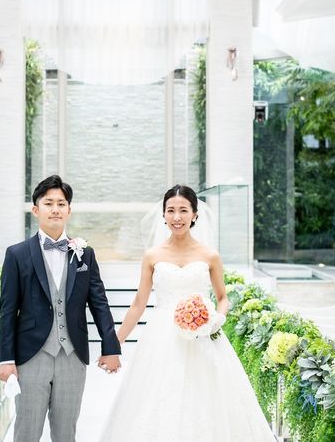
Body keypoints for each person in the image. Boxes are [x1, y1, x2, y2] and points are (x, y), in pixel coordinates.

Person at [99, 184, 276, 442]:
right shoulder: (152, 255)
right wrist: (114, 345)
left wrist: (216, 319)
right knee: (158, 399)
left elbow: (222, 298)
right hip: (161, 338)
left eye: (183, 210)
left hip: (202, 336)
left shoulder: (210, 255)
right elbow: (138, 304)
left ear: (195, 214)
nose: (177, 217)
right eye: (171, 210)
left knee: (206, 399)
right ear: (163, 215)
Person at [0, 175, 121, 442]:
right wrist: (6, 359)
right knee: (27, 432)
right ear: (36, 210)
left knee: (66, 433)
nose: (55, 209)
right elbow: (7, 311)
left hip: (72, 355)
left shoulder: (84, 253)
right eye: (48, 203)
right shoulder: (17, 254)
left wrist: (110, 347)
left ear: (69, 210)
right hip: (31, 356)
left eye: (61, 203)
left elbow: (99, 302)